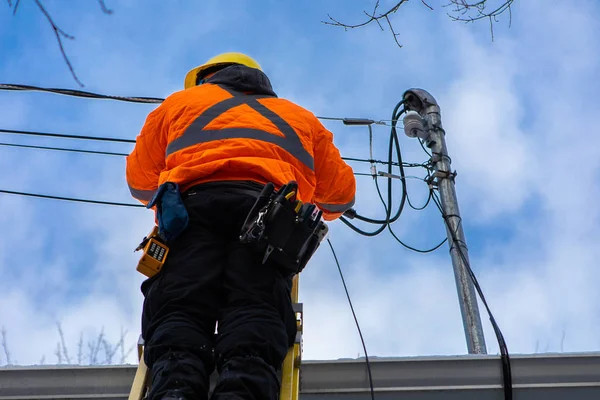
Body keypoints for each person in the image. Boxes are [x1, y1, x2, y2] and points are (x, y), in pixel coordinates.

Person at [126, 52, 356, 400]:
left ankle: (175, 390)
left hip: (192, 214)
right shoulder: (301, 118)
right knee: (256, 308)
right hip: (268, 220)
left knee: (181, 308)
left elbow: (140, 181)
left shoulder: (179, 104)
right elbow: (340, 197)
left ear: (208, 78)